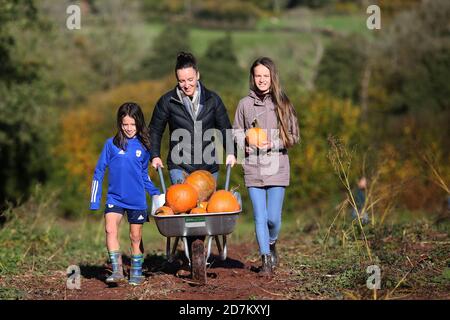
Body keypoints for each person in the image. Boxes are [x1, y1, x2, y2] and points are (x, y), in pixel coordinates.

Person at [233, 57, 300, 275]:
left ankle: (272, 243)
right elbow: (235, 131)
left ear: (272, 78)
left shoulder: (283, 103)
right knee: (259, 216)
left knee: (273, 218)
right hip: (253, 166)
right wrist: (245, 141)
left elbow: (294, 136)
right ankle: (265, 259)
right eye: (257, 75)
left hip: (277, 166)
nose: (261, 80)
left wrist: (274, 143)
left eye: (265, 76)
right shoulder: (244, 104)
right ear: (252, 78)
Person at [89, 102, 160, 286]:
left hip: (136, 200)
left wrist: (156, 194)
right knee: (110, 229)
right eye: (125, 124)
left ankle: (136, 271)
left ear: (139, 124)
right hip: (115, 198)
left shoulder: (144, 147)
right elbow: (99, 172)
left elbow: (144, 176)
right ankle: (117, 270)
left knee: (135, 237)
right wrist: (94, 200)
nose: (129, 128)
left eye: (132, 124)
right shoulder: (110, 145)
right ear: (120, 124)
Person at [149, 51, 236, 180]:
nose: (186, 85)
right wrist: (155, 155)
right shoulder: (167, 101)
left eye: (190, 80)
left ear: (198, 75)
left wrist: (231, 152)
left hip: (208, 167)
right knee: (183, 199)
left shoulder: (212, 99)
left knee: (207, 201)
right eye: (182, 81)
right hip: (180, 166)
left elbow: (225, 129)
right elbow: (155, 131)